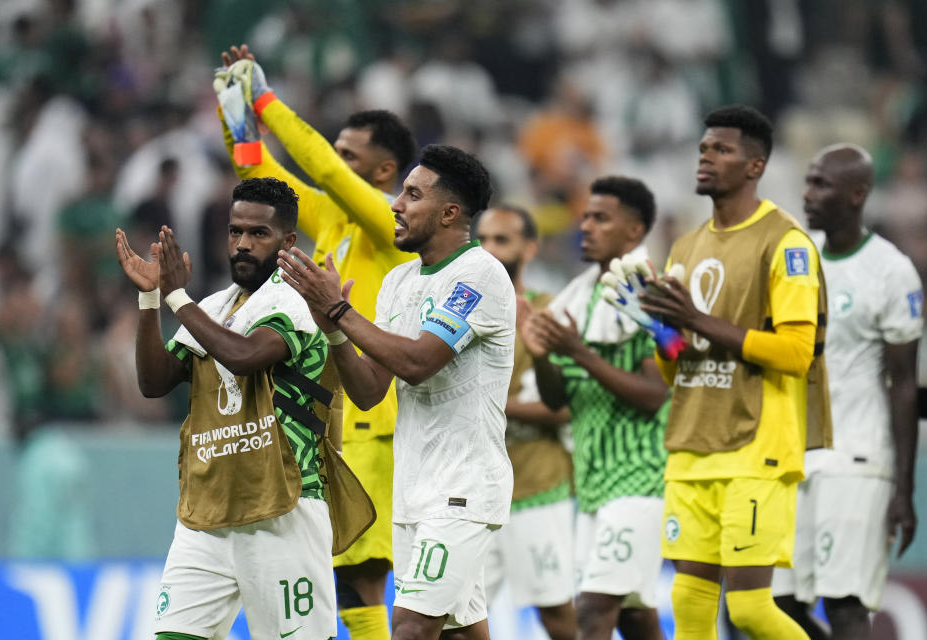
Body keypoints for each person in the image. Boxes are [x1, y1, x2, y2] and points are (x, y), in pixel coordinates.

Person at [218, 44, 418, 640]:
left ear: (385, 172)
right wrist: (233, 111)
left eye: (350, 153)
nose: (333, 160)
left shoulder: (389, 225)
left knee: (361, 575)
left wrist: (266, 99)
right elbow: (257, 177)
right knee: (336, 574)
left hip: (373, 420)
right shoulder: (330, 220)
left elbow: (324, 169)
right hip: (322, 417)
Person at [278, 144, 514, 640]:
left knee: (408, 628)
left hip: (463, 490)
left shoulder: (479, 275)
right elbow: (367, 391)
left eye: (412, 195)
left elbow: (418, 363)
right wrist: (335, 331)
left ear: (450, 212)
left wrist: (341, 313)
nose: (395, 205)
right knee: (460, 632)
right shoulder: (398, 281)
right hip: (413, 490)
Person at [638, 105, 832, 640]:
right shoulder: (685, 247)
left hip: (757, 447)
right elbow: (676, 366)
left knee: (748, 610)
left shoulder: (785, 243)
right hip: (691, 445)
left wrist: (696, 319)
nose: (706, 157)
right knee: (690, 604)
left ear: (755, 166)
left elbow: (797, 352)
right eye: (703, 148)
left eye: (721, 149)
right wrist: (660, 331)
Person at [115, 177, 336, 640]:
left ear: (287, 242)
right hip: (208, 513)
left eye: (259, 234)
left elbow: (245, 355)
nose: (242, 244)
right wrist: (151, 298)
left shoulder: (294, 303)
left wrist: (178, 298)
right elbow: (154, 382)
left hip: (283, 511)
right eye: (235, 231)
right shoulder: (214, 307)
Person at [772, 144, 924, 639]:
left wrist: (904, 490)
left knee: (844, 605)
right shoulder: (796, 261)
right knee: (773, 605)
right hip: (794, 459)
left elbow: (904, 387)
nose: (807, 193)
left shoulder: (891, 271)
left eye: (822, 184)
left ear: (857, 194)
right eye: (809, 181)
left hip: (857, 460)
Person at [522, 177, 671, 640]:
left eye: (600, 218)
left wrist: (579, 351)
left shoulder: (650, 295)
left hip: (640, 477)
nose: (585, 225)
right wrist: (544, 356)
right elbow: (555, 399)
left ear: (635, 230)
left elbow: (655, 395)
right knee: (634, 617)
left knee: (592, 611)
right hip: (590, 480)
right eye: (586, 215)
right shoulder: (576, 296)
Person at [474, 205, 576, 640]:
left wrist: (489, 404)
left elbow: (567, 407)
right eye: (481, 239)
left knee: (557, 616)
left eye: (502, 240)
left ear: (530, 248)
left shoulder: (548, 312)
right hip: (473, 491)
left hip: (537, 484)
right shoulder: (463, 311)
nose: (488, 249)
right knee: (457, 620)